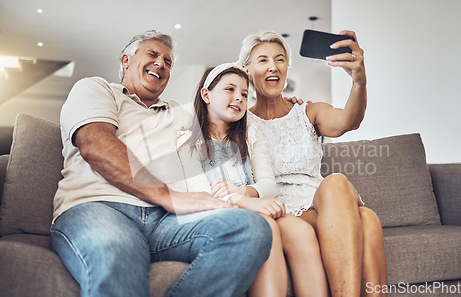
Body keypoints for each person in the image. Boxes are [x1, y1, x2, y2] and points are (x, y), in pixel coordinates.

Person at [49, 30, 272, 297]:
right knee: (115, 248)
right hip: (100, 207)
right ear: (126, 60)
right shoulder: (96, 89)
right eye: (153, 55)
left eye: (168, 62)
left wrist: (280, 104)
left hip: (165, 221)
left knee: (249, 229)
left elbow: (223, 108)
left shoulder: (179, 113)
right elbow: (95, 144)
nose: (161, 64)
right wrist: (168, 196)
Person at [237, 30, 388, 297]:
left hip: (322, 202)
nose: (273, 66)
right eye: (263, 60)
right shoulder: (240, 123)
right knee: (365, 218)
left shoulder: (308, 111)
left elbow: (348, 121)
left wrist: (359, 82)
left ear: (287, 68)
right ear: (247, 71)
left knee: (363, 213)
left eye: (280, 59)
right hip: (281, 208)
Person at [183, 62, 329, 297]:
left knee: (301, 232)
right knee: (267, 226)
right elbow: (195, 190)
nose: (239, 98)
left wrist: (246, 194)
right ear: (206, 94)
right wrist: (244, 202)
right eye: (229, 89)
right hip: (212, 214)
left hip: (254, 207)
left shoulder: (250, 134)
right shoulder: (187, 139)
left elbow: (268, 184)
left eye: (244, 93)